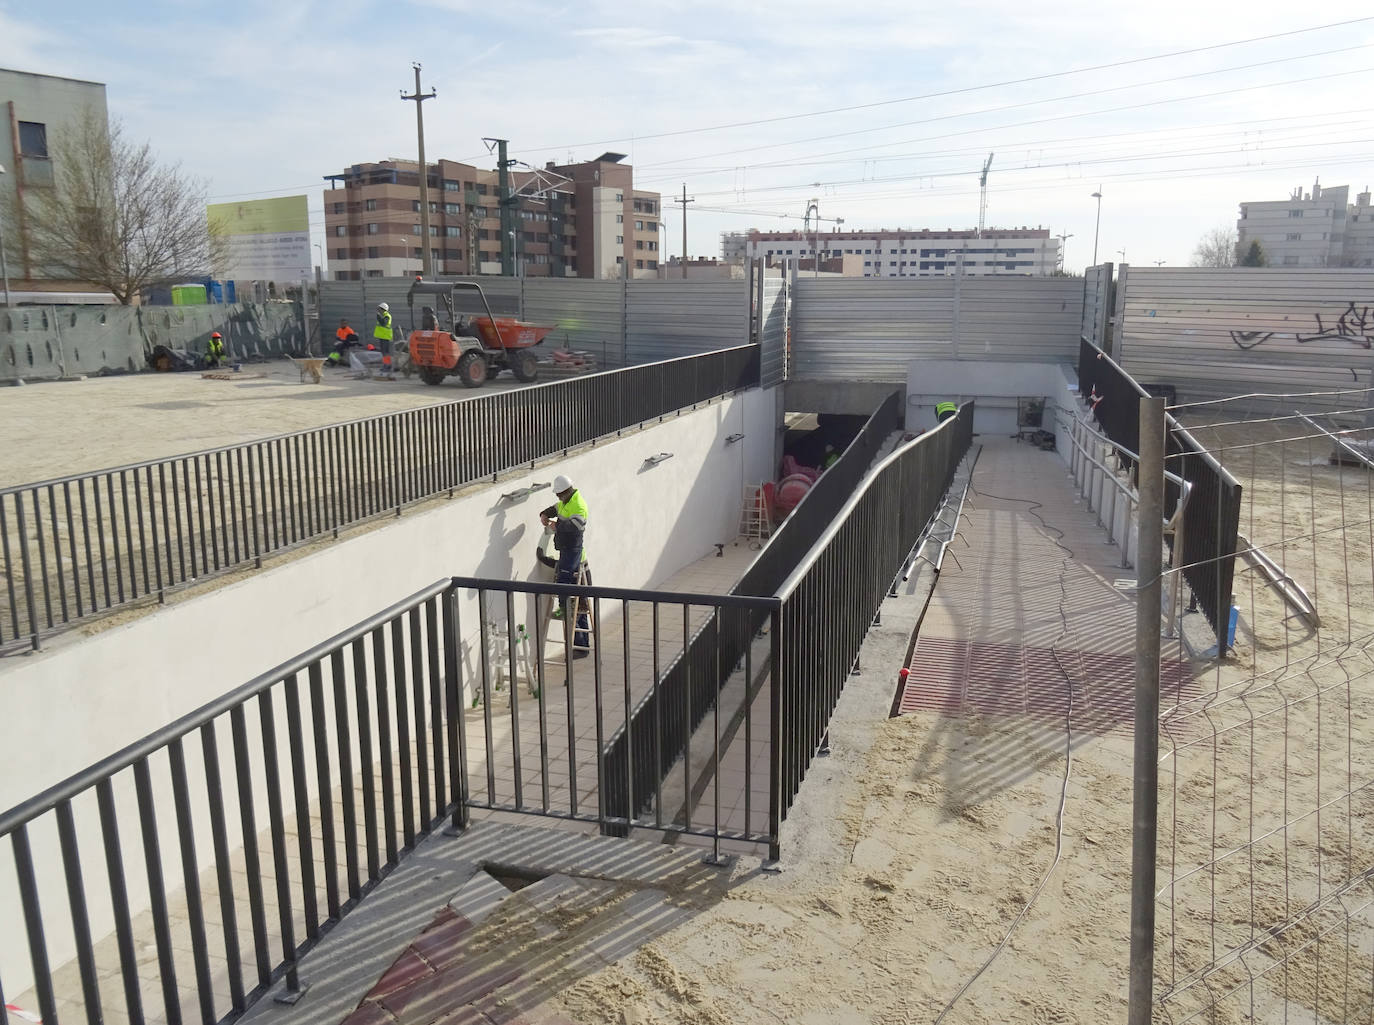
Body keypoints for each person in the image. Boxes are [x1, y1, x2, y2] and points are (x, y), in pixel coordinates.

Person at [540, 474, 591, 657]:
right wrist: (545, 514)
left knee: (569, 593)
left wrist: (556, 526)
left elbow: (576, 525)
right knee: (580, 605)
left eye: (558, 494)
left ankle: (565, 609)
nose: (557, 497)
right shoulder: (565, 502)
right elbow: (555, 508)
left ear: (565, 491)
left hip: (573, 551)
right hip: (568, 551)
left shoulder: (578, 504)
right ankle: (582, 646)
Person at [373, 302, 394, 379]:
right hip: (382, 337)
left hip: (386, 337)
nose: (378, 310)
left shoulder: (387, 316)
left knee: (385, 352)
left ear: (383, 309)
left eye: (379, 309)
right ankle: (386, 365)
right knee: (383, 352)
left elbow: (383, 323)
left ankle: (387, 366)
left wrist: (378, 315)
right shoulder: (383, 315)